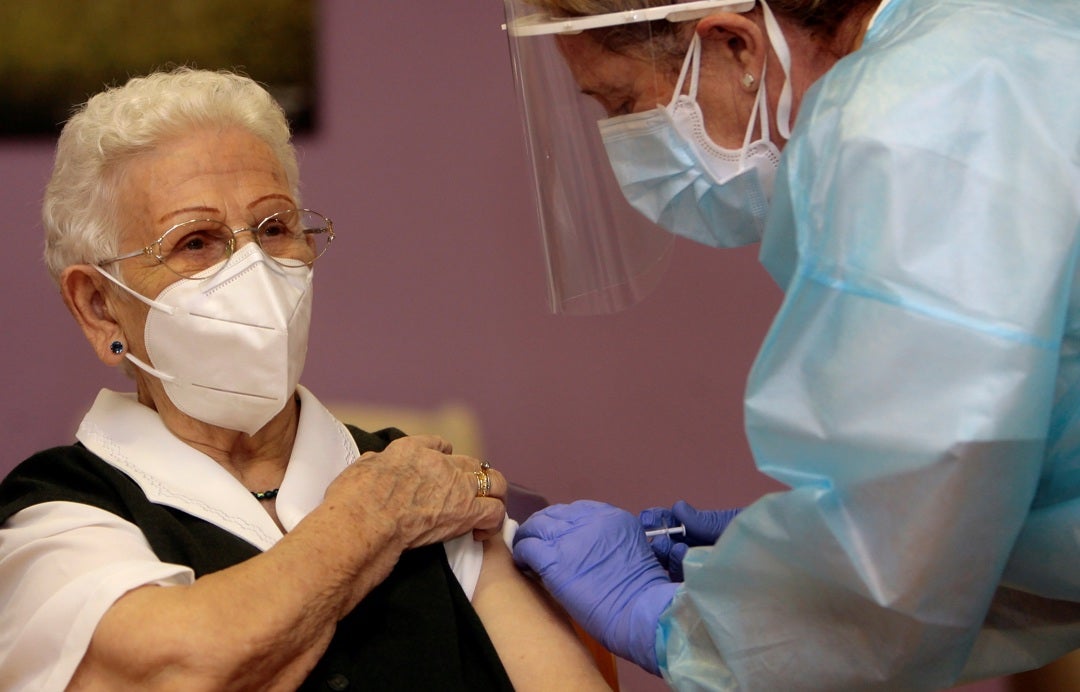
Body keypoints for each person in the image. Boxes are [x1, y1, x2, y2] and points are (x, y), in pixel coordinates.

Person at [499, 0, 1080, 689]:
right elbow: (977, 502)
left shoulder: (906, 129)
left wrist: (686, 625)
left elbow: (897, 571)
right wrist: (792, 556)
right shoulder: (1001, 39)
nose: (625, 141)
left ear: (737, 47)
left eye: (624, 102)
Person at [0, 67, 610, 691]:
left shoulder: (419, 475)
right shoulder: (56, 513)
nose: (253, 269)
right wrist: (371, 519)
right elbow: (179, 669)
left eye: (274, 229)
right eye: (196, 242)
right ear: (100, 306)